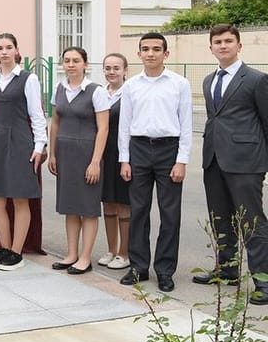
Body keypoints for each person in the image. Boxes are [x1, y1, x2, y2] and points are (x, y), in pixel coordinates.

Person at [195, 24, 268, 303]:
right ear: (211, 48)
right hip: (213, 159)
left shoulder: (256, 80)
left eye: (228, 41)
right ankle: (227, 270)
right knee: (220, 219)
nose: (223, 45)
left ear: (239, 46)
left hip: (246, 162)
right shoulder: (208, 80)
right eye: (217, 42)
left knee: (252, 221)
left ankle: (264, 281)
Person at [117, 32, 193, 292]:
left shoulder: (179, 84)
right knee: (138, 211)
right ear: (138, 54)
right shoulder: (131, 86)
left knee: (170, 214)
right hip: (138, 149)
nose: (151, 53)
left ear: (166, 54)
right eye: (145, 49)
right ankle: (138, 267)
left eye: (156, 49)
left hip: (168, 150)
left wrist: (181, 160)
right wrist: (124, 159)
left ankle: (165, 269)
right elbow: (124, 126)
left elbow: (186, 124)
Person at [0, 32, 48, 272]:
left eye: (9, 47)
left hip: (21, 141)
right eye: (0, 47)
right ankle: (5, 248)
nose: (4, 51)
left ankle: (17, 252)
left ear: (17, 51)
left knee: (20, 199)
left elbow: (37, 115)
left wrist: (39, 146)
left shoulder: (28, 79)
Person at [47, 47, 109, 274]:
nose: (70, 64)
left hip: (87, 154)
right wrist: (52, 153)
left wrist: (95, 162)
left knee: (88, 208)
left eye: (75, 60)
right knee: (70, 207)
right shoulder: (59, 89)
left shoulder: (96, 91)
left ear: (85, 63)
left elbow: (103, 129)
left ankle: (85, 257)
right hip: (65, 153)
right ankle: (71, 254)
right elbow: (55, 123)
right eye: (67, 61)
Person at [98, 53, 131, 270]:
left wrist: (126, 159)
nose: (111, 72)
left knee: (123, 203)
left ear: (125, 70)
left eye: (116, 68)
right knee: (107, 201)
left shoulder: (130, 93)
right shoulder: (101, 93)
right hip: (104, 154)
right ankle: (111, 249)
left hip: (125, 154)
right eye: (108, 68)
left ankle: (124, 253)